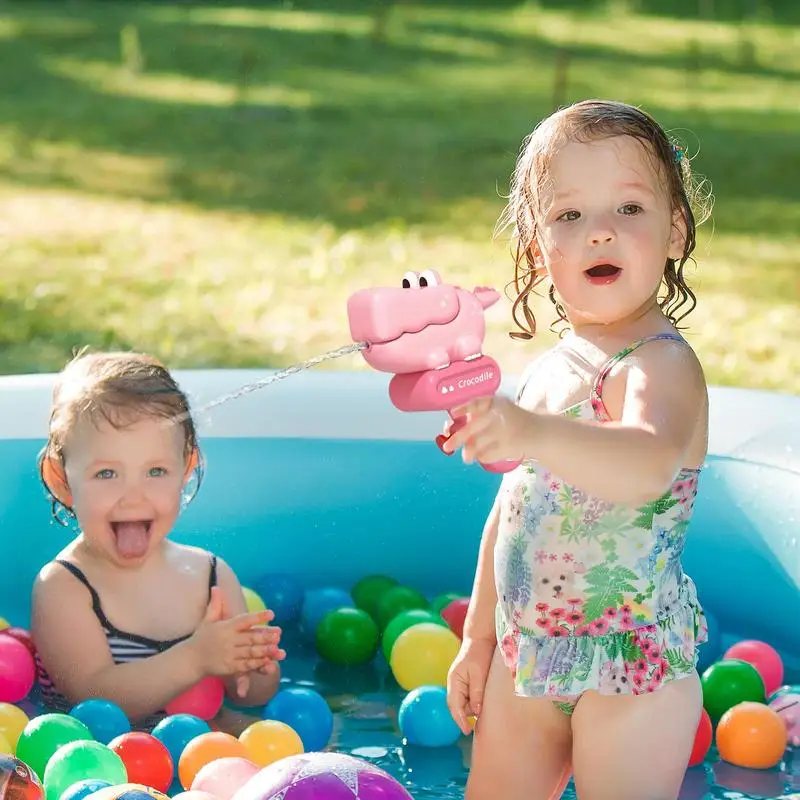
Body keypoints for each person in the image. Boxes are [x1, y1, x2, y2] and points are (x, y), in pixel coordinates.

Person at [443, 99, 713, 800]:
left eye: (628, 209)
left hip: (634, 671)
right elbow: (512, 505)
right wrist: (478, 638)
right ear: (537, 248)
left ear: (674, 232)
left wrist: (530, 431)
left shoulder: (660, 364)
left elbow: (648, 463)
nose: (599, 234)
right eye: (569, 216)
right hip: (526, 654)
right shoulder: (552, 366)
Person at [31, 350, 285, 731]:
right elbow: (94, 702)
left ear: (185, 469)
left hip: (201, 759)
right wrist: (197, 657)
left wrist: (251, 664)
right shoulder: (64, 587)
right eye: (106, 474)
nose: (134, 496)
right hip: (105, 768)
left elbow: (251, 696)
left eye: (155, 471)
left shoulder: (211, 576)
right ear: (60, 479)